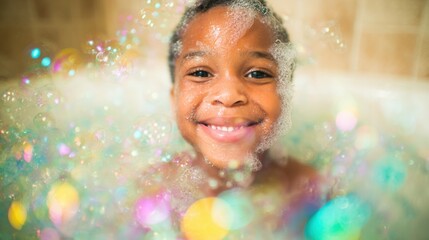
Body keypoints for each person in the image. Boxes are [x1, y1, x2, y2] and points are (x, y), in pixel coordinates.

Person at [138, 0, 325, 238]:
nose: (228, 95)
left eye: (257, 73)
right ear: (174, 98)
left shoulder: (309, 191)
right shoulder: (153, 192)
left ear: (286, 96)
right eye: (201, 73)